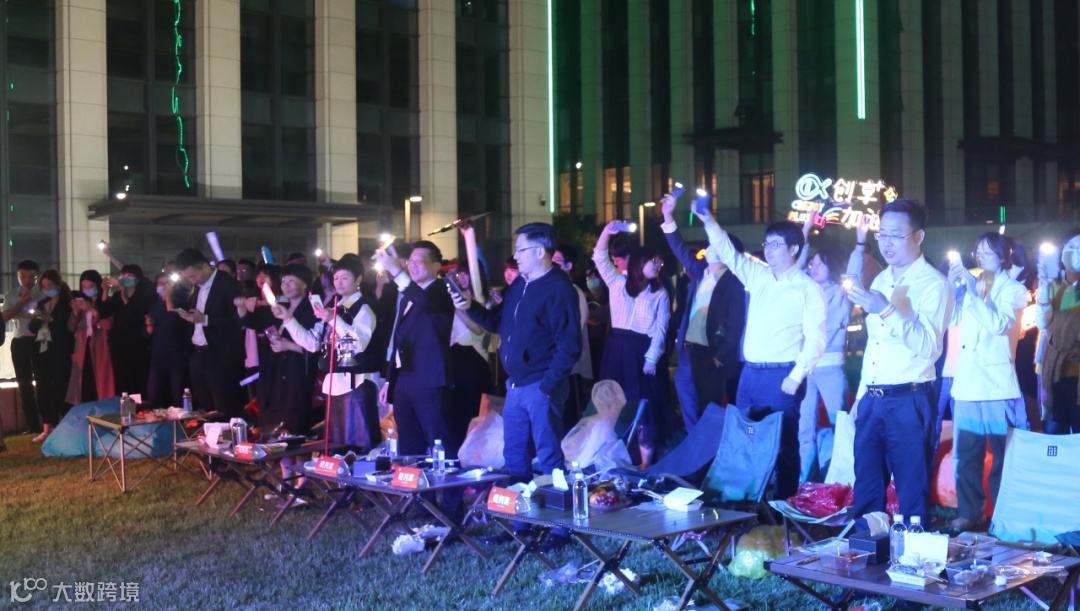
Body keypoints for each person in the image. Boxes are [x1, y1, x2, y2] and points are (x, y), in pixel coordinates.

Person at [699, 208, 826, 499]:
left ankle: (783, 506)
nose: (768, 249)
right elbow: (729, 253)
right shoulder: (759, 276)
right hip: (750, 374)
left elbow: (817, 339)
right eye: (767, 243)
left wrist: (796, 376)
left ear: (793, 249)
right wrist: (709, 222)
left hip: (782, 376)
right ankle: (746, 501)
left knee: (783, 445)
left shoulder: (807, 288)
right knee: (744, 440)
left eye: (776, 244)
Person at [846, 199, 952, 527]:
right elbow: (874, 347)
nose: (887, 243)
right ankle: (867, 547)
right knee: (867, 482)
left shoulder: (934, 284)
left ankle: (914, 548)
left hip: (910, 398)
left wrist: (887, 310)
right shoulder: (881, 280)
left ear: (918, 236)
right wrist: (861, 395)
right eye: (882, 234)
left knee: (911, 486)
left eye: (896, 235)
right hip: (873, 397)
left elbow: (929, 348)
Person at [454, 222, 581, 489]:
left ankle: (557, 513)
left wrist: (547, 385)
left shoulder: (559, 289)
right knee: (514, 453)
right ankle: (520, 511)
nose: (516, 256)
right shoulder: (520, 284)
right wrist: (469, 307)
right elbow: (498, 323)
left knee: (548, 454)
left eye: (521, 250)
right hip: (516, 384)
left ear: (540, 251)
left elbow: (569, 345)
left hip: (541, 383)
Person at [947, 232, 1029, 532]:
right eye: (978, 252)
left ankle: (1007, 516)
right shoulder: (973, 284)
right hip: (967, 383)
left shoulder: (1015, 290)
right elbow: (951, 320)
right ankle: (970, 513)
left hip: (997, 385)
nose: (981, 258)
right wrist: (952, 289)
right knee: (966, 455)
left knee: (1004, 456)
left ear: (1005, 256)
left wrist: (971, 293)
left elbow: (998, 324)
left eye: (988, 252)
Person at [661, 194, 746, 430]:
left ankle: (709, 447)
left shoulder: (734, 283)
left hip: (710, 354)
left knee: (709, 407)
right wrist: (667, 216)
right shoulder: (700, 271)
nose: (709, 247)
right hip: (688, 351)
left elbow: (735, 325)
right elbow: (679, 248)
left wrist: (719, 356)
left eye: (715, 244)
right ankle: (694, 442)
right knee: (686, 399)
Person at [286, 254, 382, 451]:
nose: (339, 282)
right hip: (334, 382)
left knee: (360, 443)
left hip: (358, 382)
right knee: (337, 444)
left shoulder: (364, 308)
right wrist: (288, 319)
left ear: (358, 279)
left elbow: (358, 343)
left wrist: (332, 319)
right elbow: (313, 343)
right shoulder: (333, 308)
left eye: (344, 277)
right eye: (336, 278)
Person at [592, 229, 672, 467]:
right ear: (639, 263)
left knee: (644, 405)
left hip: (641, 350)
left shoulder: (659, 293)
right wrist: (605, 232)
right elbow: (599, 258)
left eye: (658, 261)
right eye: (652, 260)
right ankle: (615, 456)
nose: (657, 264)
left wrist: (652, 358)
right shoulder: (618, 283)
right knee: (614, 403)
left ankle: (645, 462)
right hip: (617, 348)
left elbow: (660, 328)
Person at [376, 241, 456, 458]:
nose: (413, 265)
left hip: (430, 380)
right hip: (404, 381)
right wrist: (390, 380)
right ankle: (414, 481)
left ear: (437, 266)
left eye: (420, 260)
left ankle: (448, 481)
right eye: (410, 261)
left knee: (439, 440)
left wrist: (395, 271)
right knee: (409, 445)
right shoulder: (407, 297)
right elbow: (398, 340)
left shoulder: (441, 291)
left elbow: (425, 303)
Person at [794, 214, 854, 482]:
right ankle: (804, 482)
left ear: (832, 267)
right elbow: (795, 267)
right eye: (812, 263)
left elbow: (854, 272)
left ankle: (842, 481)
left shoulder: (842, 293)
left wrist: (860, 243)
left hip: (830, 368)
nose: (814, 267)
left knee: (840, 427)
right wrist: (805, 230)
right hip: (805, 369)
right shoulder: (806, 290)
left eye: (820, 263)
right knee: (803, 429)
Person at [175, 248, 246, 418]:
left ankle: (228, 433)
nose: (192, 281)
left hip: (221, 354)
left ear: (206, 266)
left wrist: (205, 319)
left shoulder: (228, 284)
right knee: (204, 407)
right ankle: (208, 433)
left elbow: (238, 320)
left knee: (224, 406)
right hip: (198, 352)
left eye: (194, 276)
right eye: (188, 278)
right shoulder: (198, 286)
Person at [1034, 228, 1080, 434]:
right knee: (1053, 434)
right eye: (1071, 247)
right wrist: (1044, 287)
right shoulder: (1052, 285)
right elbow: (1042, 323)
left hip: (1076, 374)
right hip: (1051, 373)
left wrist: (1061, 323)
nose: (1075, 252)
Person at [28, 270, 75, 442]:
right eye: (44, 286)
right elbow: (32, 328)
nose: (47, 289)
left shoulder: (67, 304)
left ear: (58, 284)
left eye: (50, 285)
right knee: (42, 388)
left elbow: (68, 330)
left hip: (60, 351)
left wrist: (52, 320)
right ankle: (47, 427)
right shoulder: (42, 303)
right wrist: (37, 319)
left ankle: (65, 424)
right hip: (42, 350)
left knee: (61, 387)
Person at [553, 244, 593, 428]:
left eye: (557, 261)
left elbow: (575, 328)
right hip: (552, 365)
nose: (552, 265)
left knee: (569, 416)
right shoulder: (552, 290)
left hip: (569, 366)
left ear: (568, 266)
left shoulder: (575, 293)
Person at [99, 265, 154, 396]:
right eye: (123, 276)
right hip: (118, 343)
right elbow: (104, 313)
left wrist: (126, 299)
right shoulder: (116, 296)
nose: (125, 279)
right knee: (121, 378)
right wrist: (105, 291)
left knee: (136, 379)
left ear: (138, 279)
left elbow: (136, 318)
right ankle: (123, 403)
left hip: (136, 344)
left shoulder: (144, 297)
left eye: (129, 277)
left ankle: (139, 405)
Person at [66, 270, 116, 404]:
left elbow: (109, 324)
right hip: (83, 348)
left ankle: (103, 411)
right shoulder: (82, 303)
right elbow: (71, 327)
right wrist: (75, 311)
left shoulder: (106, 302)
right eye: (84, 287)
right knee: (84, 383)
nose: (87, 289)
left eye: (90, 286)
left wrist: (91, 310)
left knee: (100, 383)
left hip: (101, 347)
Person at [3, 260, 42, 433]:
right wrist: (20, 304)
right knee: (24, 384)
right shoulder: (12, 294)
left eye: (31, 277)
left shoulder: (42, 292)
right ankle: (33, 425)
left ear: (37, 277)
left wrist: (23, 313)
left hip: (40, 340)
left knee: (43, 381)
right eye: (23, 276)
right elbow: (5, 316)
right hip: (20, 340)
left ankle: (48, 421)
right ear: (18, 275)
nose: (27, 280)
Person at [145, 273, 191, 408]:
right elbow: (147, 334)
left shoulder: (182, 304)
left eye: (166, 283)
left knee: (178, 392)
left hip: (177, 354)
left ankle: (181, 418)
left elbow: (174, 320)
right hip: (158, 355)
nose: (163, 286)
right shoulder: (154, 306)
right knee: (154, 393)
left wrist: (169, 298)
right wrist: (149, 326)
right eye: (160, 283)